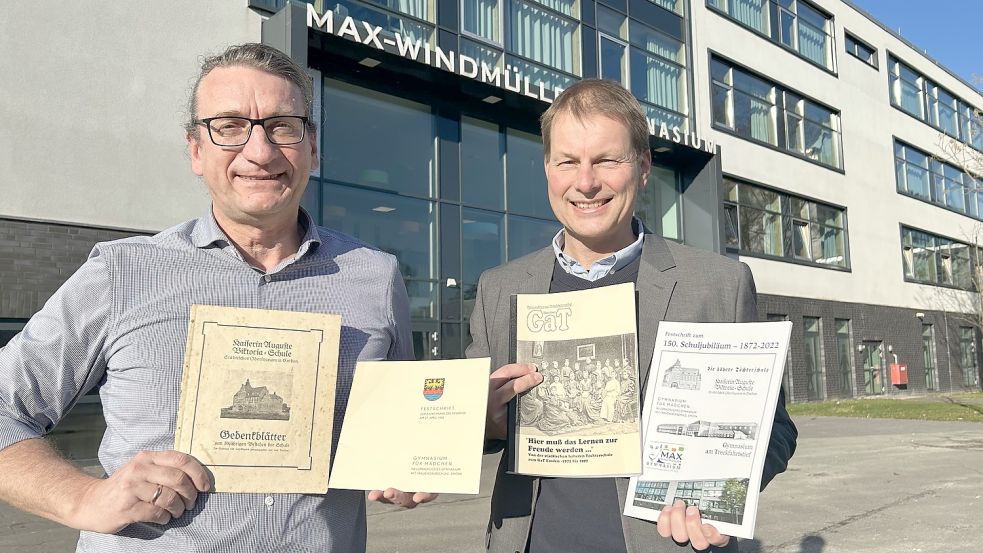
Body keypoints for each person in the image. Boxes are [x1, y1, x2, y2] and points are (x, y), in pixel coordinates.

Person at [0, 43, 432, 553]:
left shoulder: (375, 277)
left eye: (283, 126)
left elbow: (399, 430)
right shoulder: (122, 273)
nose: (260, 151)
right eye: (228, 126)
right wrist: (81, 497)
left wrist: (414, 455)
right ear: (196, 151)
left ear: (312, 148)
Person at [469, 79, 797, 553]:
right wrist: (486, 423)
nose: (585, 182)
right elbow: (474, 429)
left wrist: (721, 494)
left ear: (643, 168)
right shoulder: (499, 287)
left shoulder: (719, 283)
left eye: (606, 160)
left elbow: (775, 429)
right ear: (548, 169)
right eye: (567, 162)